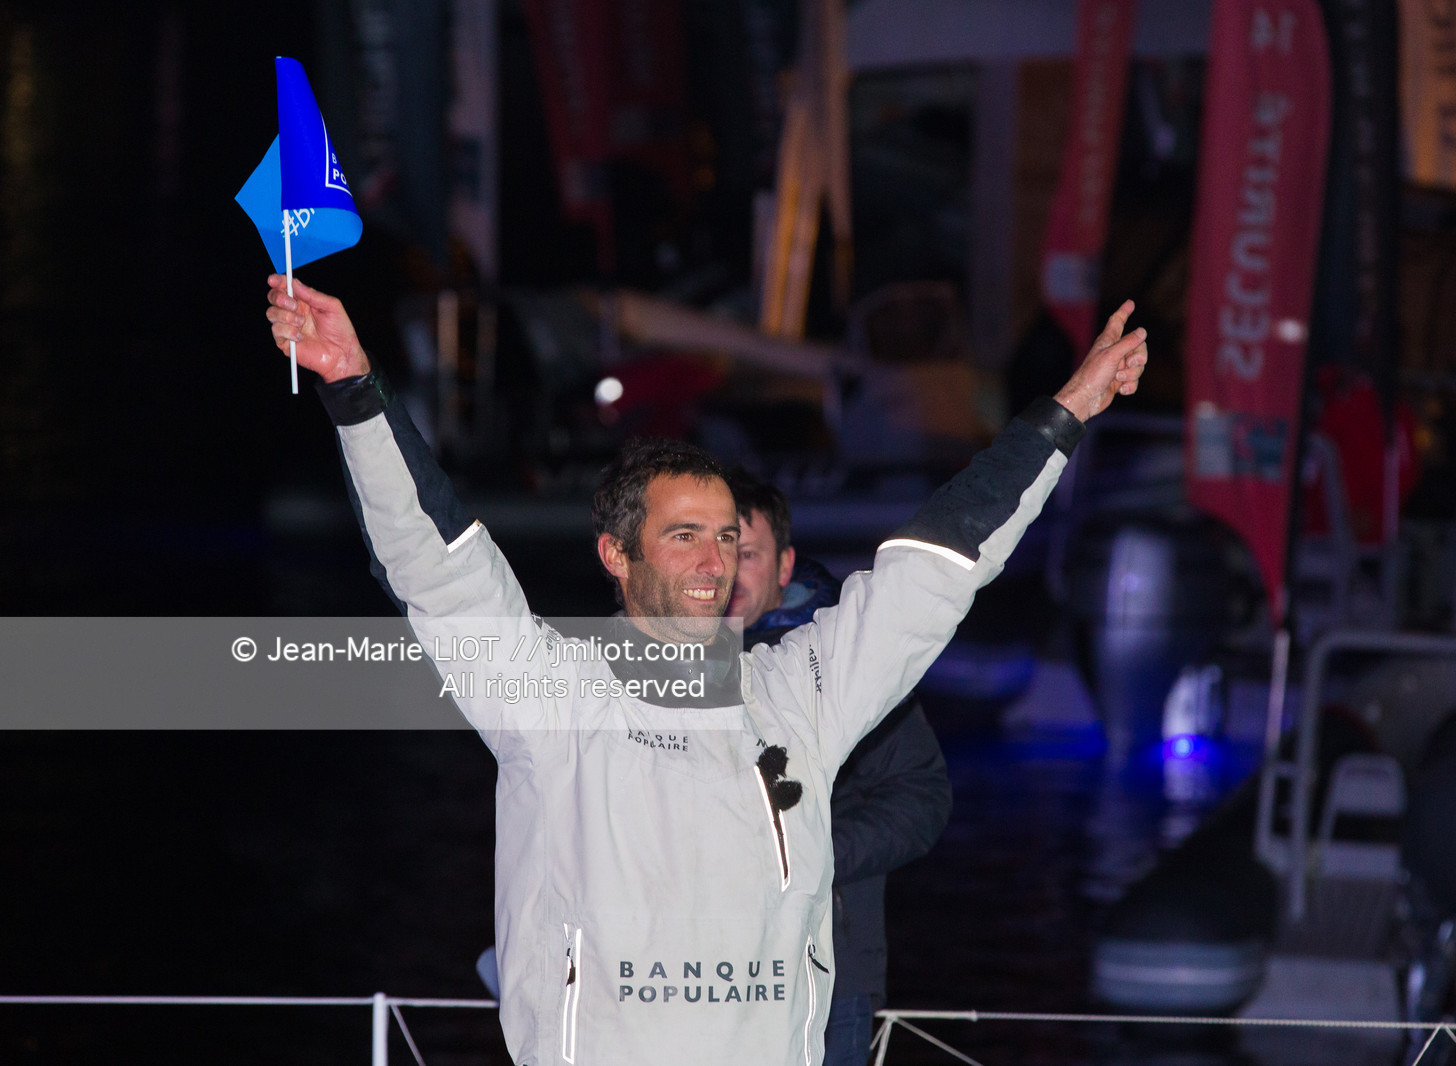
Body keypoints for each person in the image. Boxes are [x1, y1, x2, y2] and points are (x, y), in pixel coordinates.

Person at [263, 275, 1147, 1066]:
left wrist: (1059, 415)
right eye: (682, 535)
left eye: (726, 537)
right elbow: (436, 564)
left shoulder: (801, 690)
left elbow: (937, 566)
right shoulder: (549, 694)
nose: (712, 561)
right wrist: (353, 388)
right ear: (616, 553)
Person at [724, 470, 952, 1066]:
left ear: (783, 565)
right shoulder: (655, 661)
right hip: (689, 972)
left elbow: (921, 797)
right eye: (716, 548)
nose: (727, 570)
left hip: (823, 970)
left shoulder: (850, 665)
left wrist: (810, 852)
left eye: (747, 552)